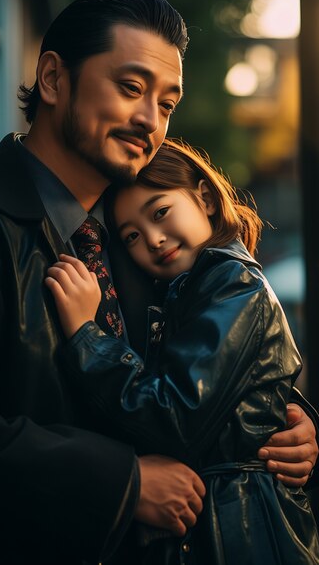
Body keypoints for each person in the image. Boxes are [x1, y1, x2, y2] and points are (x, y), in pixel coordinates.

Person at [0, 0, 316, 565]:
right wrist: (122, 482)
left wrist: (284, 430)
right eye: (131, 88)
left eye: (166, 103)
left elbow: (203, 373)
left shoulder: (146, 243)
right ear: (53, 80)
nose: (149, 120)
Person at [46, 139, 319, 564]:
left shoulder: (232, 284)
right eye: (132, 235)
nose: (153, 239)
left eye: (160, 212)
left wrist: (85, 334)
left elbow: (173, 411)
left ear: (205, 198)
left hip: (241, 533)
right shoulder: (188, 293)